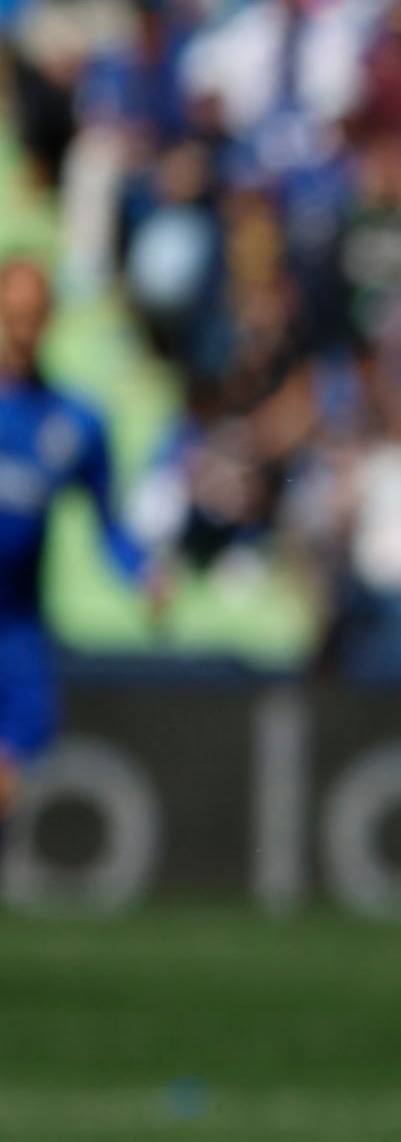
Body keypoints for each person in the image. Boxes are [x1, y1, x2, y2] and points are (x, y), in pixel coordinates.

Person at [0, 257, 150, 826]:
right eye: (13, 315)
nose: (22, 329)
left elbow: (109, 526)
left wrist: (142, 571)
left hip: (16, 632)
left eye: (33, 316)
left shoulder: (72, 424)